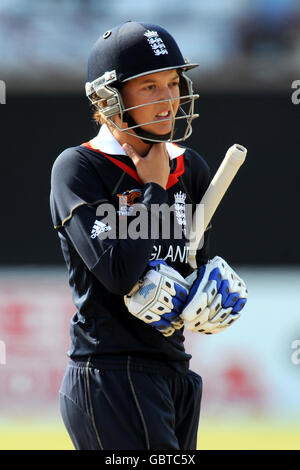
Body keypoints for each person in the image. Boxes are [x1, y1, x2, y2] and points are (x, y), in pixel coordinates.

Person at [50, 21, 248, 451]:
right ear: (110, 100)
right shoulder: (79, 168)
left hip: (175, 371)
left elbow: (188, 261)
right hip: (109, 375)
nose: (168, 101)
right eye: (150, 88)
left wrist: (200, 295)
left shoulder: (190, 167)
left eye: (173, 83)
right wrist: (154, 191)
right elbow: (119, 274)